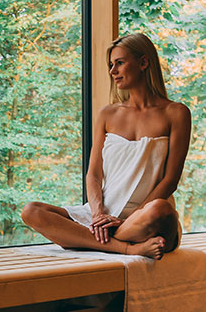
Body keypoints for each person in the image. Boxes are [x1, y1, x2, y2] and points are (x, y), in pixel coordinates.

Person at [21, 33, 190, 259]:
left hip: (144, 216)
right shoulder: (107, 114)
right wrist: (98, 214)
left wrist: (129, 219)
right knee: (31, 211)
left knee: (162, 209)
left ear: (143, 62)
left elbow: (170, 180)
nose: (112, 71)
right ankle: (127, 247)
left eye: (119, 63)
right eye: (111, 65)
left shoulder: (176, 113)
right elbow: (94, 174)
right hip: (106, 213)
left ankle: (89, 238)